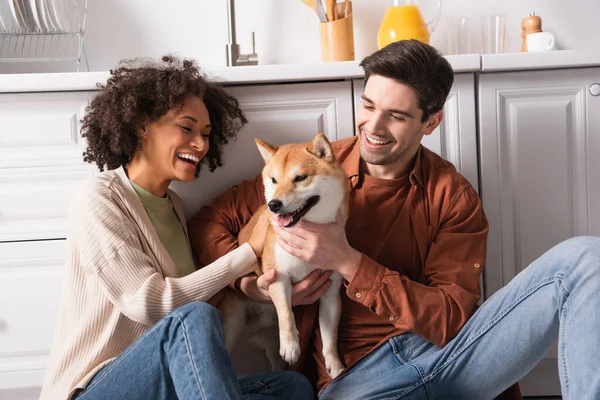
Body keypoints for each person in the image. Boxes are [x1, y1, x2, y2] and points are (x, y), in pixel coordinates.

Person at [188, 40, 600, 400]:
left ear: (431, 121)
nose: (374, 127)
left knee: (587, 258)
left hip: (447, 358)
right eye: (368, 106)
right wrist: (252, 286)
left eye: (397, 116)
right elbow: (209, 223)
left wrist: (347, 261)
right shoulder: (306, 167)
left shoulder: (452, 195)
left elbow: (450, 317)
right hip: (355, 380)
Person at [40, 55, 313, 400]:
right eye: (186, 128)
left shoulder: (175, 208)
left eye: (206, 134)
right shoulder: (99, 198)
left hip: (164, 386)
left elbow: (197, 296)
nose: (200, 145)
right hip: (95, 387)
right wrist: (249, 251)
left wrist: (256, 288)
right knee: (193, 318)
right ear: (142, 125)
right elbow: (151, 303)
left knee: (292, 387)